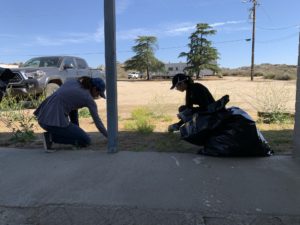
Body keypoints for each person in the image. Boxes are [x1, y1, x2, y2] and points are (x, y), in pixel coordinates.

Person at [34, 76, 108, 152]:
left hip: (42, 117)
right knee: (86, 140)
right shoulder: (88, 99)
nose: (97, 96)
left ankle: (63, 134)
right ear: (95, 88)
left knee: (74, 115)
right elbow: (98, 122)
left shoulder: (73, 81)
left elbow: (72, 108)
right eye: (98, 94)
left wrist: (77, 131)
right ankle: (51, 137)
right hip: (53, 122)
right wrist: (109, 136)